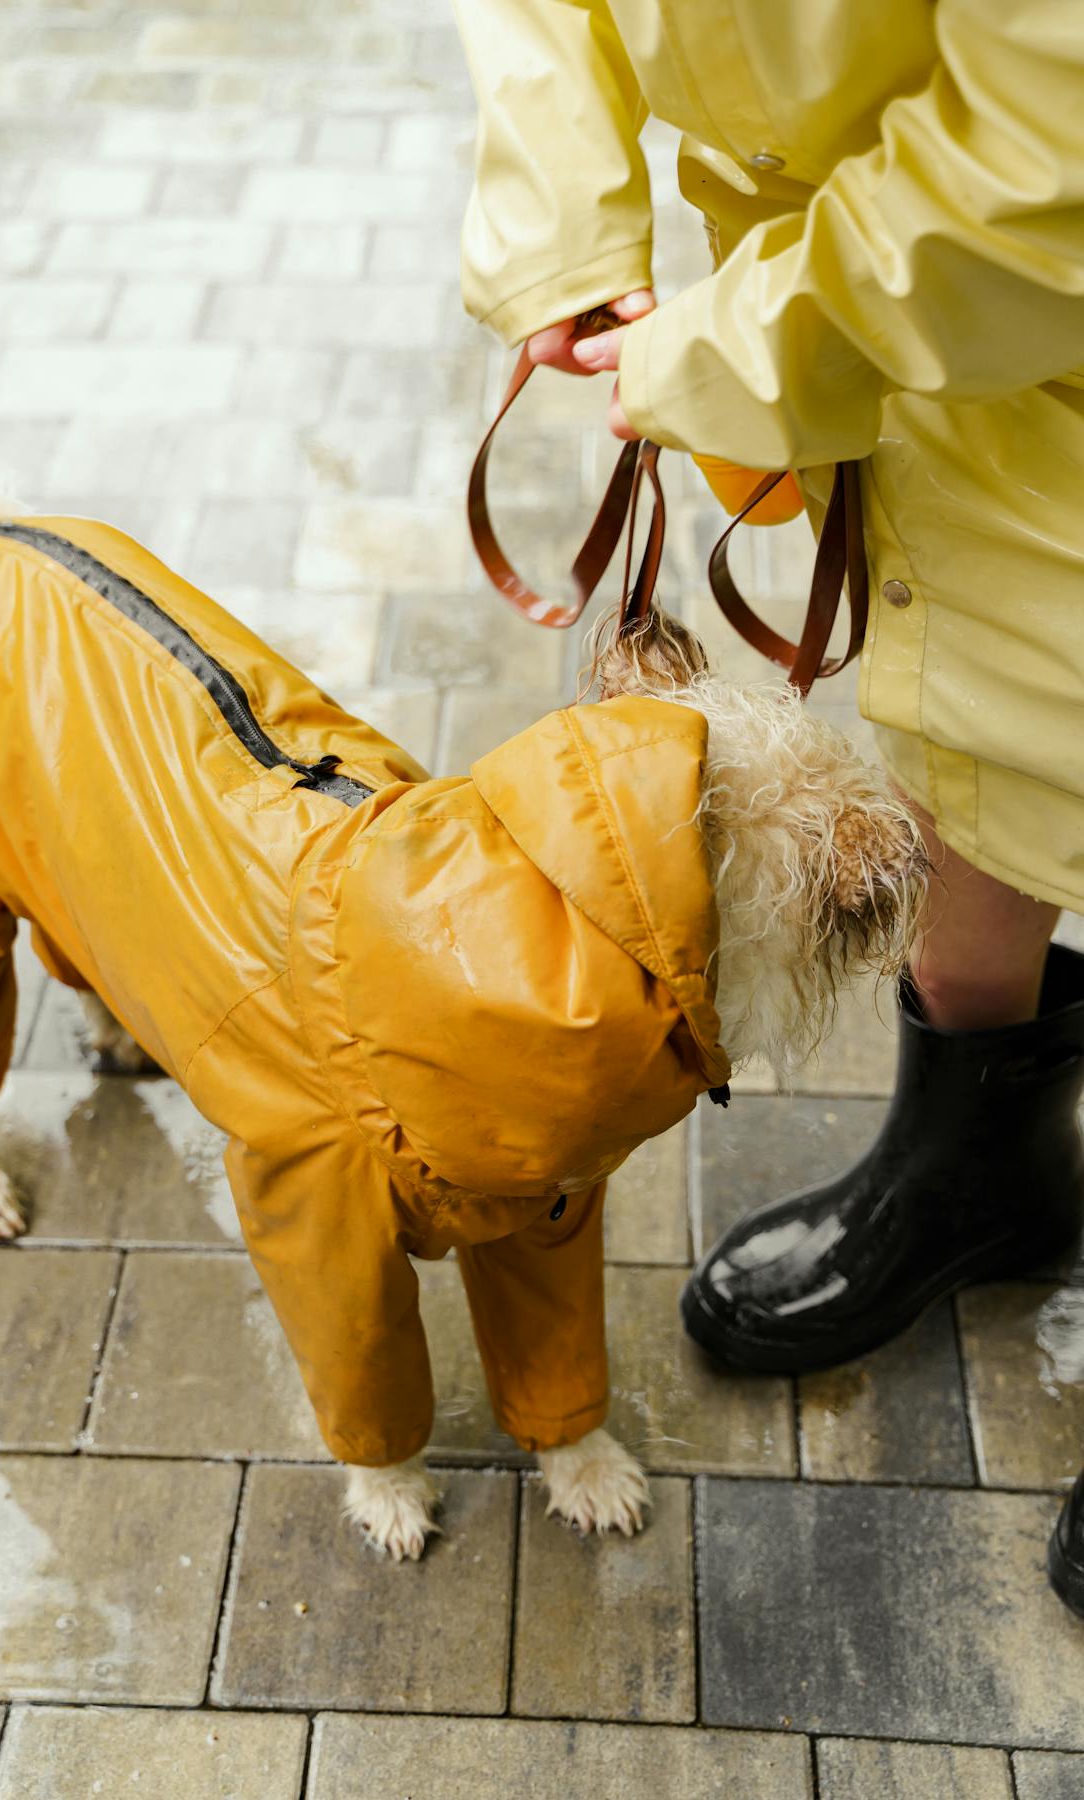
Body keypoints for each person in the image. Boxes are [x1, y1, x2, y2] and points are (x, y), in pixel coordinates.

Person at [452, 0, 1084, 1611]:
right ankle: (981, 1163)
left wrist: (719, 352)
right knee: (962, 691)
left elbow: (1046, 148)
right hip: (860, 319)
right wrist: (565, 231)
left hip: (959, 274)